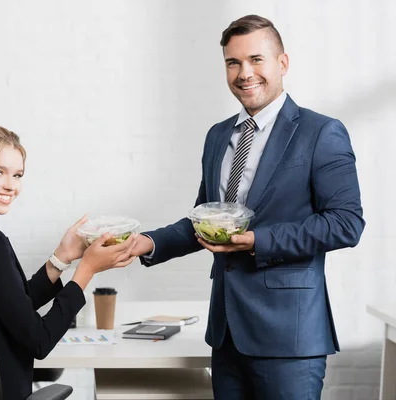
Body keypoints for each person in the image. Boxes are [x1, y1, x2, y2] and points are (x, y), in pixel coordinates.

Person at [130, 15, 365, 399]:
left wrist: (257, 240)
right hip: (226, 334)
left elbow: (345, 223)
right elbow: (204, 220)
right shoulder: (218, 135)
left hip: (289, 335)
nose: (244, 73)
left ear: (282, 63)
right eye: (233, 62)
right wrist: (146, 243)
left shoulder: (321, 132)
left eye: (256, 59)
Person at [0, 125, 137, 399]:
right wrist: (86, 270)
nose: (10, 185)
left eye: (17, 175)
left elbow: (9, 305)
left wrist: (61, 258)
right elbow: (39, 340)